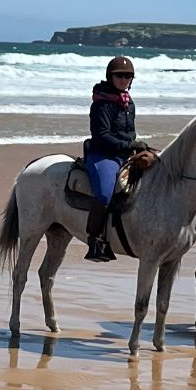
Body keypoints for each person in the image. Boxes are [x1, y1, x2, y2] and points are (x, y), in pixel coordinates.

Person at [82, 56, 138, 260]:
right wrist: (128, 145)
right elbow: (102, 136)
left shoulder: (128, 102)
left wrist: (135, 146)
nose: (124, 79)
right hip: (103, 155)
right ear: (110, 77)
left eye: (128, 76)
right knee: (105, 194)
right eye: (120, 75)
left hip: (125, 153)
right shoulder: (102, 104)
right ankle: (94, 239)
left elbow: (130, 132)